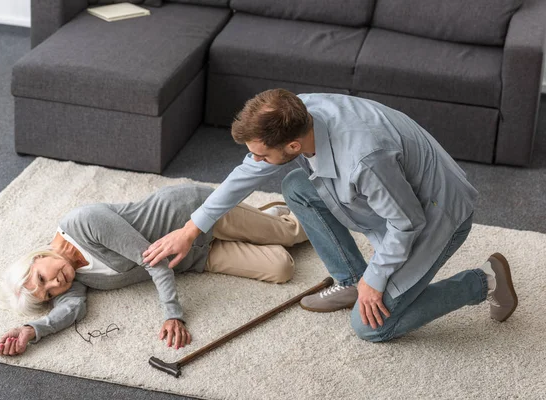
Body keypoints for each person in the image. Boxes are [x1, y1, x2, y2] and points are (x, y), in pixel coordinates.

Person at [143, 89, 518, 343]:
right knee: (296, 187)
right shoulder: (295, 112)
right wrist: (191, 230)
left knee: (374, 326)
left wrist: (377, 277)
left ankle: (482, 281)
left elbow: (407, 223)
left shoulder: (364, 159)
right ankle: (351, 280)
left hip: (437, 212)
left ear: (292, 145)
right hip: (398, 194)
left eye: (260, 154)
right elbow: (246, 173)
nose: (255, 161)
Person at [0, 183, 308, 356]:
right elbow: (73, 307)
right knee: (282, 267)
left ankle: (291, 209)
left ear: (37, 258)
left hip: (195, 217)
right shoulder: (73, 278)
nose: (55, 283)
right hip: (197, 258)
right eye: (48, 292)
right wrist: (34, 329)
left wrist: (173, 314)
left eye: (42, 277)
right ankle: (265, 217)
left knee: (292, 235)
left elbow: (153, 260)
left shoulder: (84, 222)